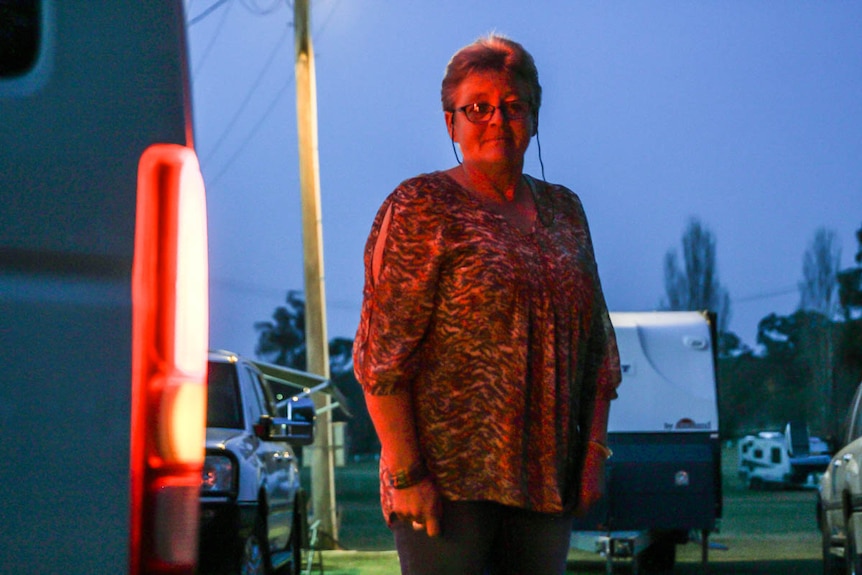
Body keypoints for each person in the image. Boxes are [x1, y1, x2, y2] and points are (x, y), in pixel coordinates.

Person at [353, 33, 621, 575]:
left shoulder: (567, 212)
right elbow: (381, 362)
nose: (497, 120)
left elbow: (599, 351)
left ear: (534, 119)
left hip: (547, 481)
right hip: (447, 485)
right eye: (477, 108)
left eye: (513, 107)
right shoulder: (421, 207)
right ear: (451, 122)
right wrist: (407, 475)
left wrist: (593, 452)